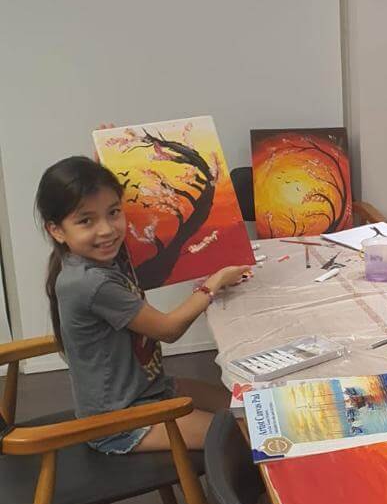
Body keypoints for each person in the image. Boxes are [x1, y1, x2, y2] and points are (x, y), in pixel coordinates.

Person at [36, 155, 251, 453]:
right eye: (86, 221)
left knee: (250, 406)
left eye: (113, 212)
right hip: (120, 422)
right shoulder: (89, 282)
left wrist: (108, 155)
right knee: (252, 434)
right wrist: (213, 284)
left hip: (153, 391)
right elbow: (169, 329)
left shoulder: (104, 255)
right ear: (56, 230)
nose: (107, 230)